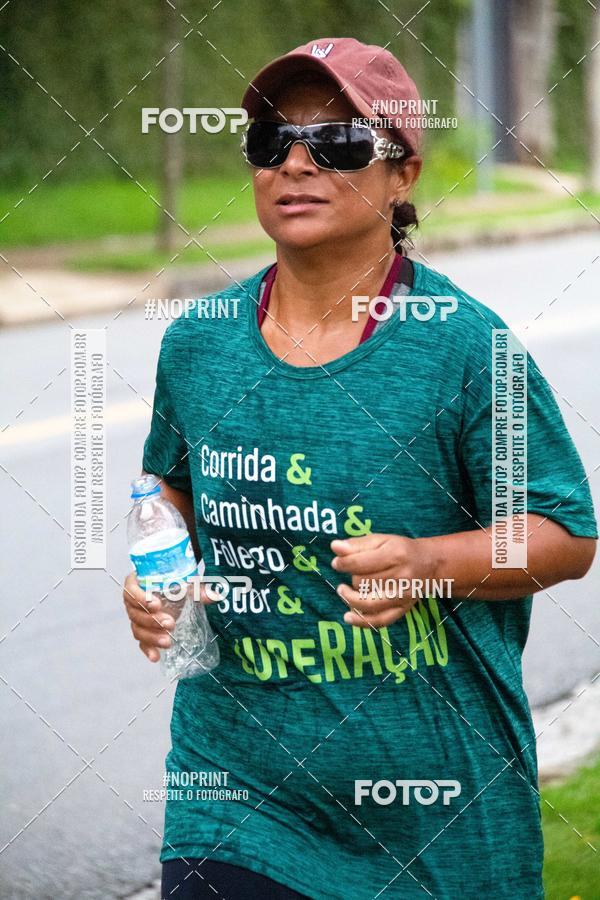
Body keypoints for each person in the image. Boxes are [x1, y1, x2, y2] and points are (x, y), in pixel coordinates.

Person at [123, 37, 597, 900]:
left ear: (402, 174)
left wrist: (429, 562)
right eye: (272, 141)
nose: (296, 164)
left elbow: (564, 534)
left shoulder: (467, 348)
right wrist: (159, 572)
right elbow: (169, 485)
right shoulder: (198, 342)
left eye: (338, 143)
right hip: (234, 793)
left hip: (440, 817)